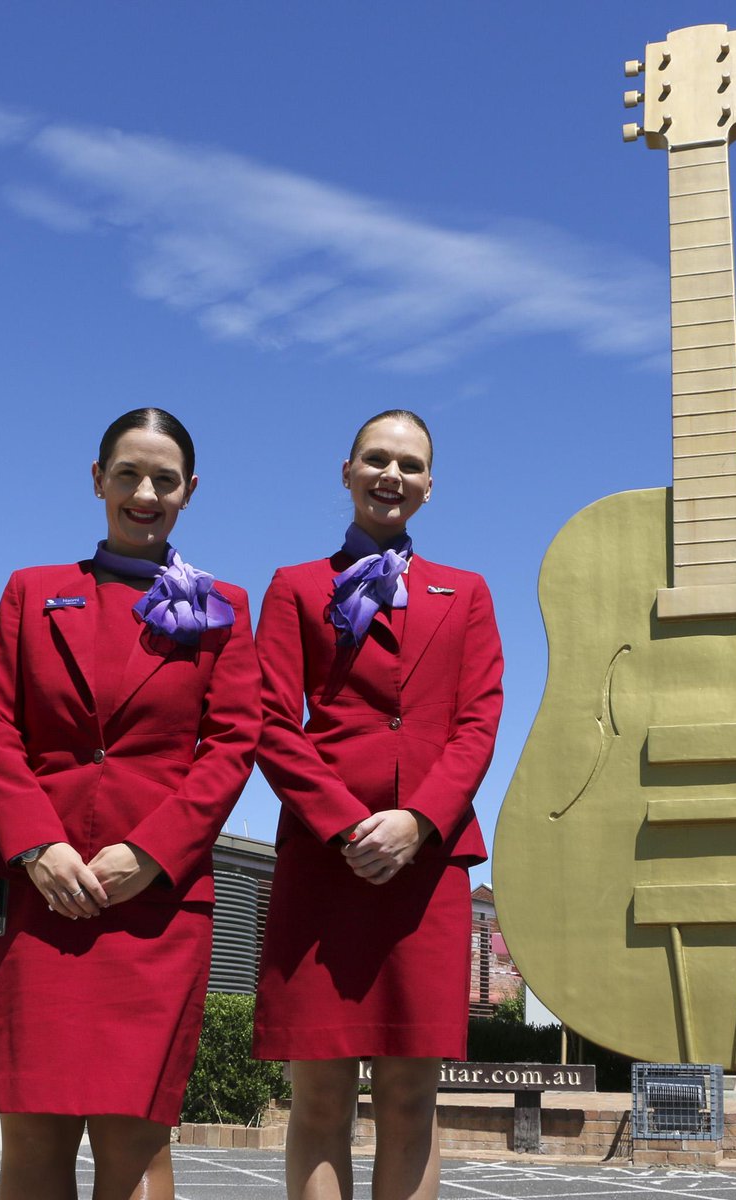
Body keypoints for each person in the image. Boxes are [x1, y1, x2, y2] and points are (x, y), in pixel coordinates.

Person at [0, 408, 261, 1200]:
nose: (144, 492)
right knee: (31, 1141)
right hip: (37, 894)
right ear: (98, 481)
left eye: (164, 479)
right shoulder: (31, 593)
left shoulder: (221, 606)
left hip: (153, 903)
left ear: (190, 491)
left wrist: (151, 853)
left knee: (136, 1149)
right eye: (128, 474)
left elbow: (231, 745)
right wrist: (37, 844)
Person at [252, 410, 503, 1200]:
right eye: (376, 459)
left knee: (410, 1099)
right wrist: (344, 825)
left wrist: (418, 820)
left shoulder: (466, 594)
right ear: (347, 471)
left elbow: (478, 721)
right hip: (327, 864)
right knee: (319, 1098)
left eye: (410, 464)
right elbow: (266, 719)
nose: (392, 475)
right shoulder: (295, 587)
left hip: (426, 870)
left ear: (430, 486)